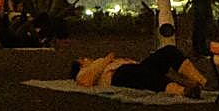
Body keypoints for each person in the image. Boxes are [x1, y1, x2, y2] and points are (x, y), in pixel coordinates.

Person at [71, 45, 207, 97]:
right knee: (144, 74)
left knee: (169, 51)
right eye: (83, 59)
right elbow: (85, 80)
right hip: (119, 75)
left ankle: (202, 81)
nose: (87, 58)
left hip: (138, 67)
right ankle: (183, 91)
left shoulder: (98, 63)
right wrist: (105, 61)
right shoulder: (85, 70)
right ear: (80, 65)